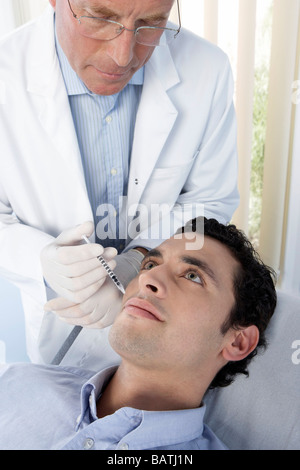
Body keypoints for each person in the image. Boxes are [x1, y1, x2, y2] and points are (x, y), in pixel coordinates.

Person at [0, 0, 239, 368]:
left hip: (165, 327)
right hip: (60, 324)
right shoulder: (6, 73)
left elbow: (210, 200)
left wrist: (137, 263)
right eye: (100, 17)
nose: (122, 55)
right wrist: (41, 260)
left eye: (151, 23)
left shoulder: (207, 69)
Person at [0, 218, 277, 450]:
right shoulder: (16, 382)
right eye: (150, 265)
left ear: (238, 341)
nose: (147, 279)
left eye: (192, 276)